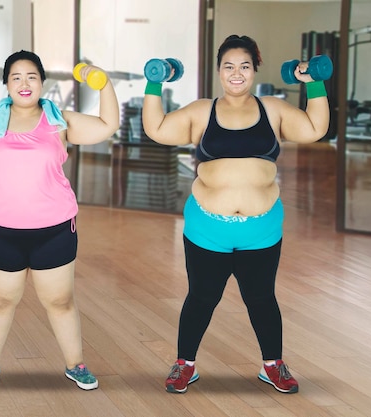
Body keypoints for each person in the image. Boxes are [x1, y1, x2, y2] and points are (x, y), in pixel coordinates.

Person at [141, 35, 330, 394]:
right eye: (229, 66)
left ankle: (273, 365)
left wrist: (314, 82)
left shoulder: (272, 109)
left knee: (261, 298)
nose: (236, 73)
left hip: (261, 230)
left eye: (244, 66)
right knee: (201, 296)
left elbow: (315, 129)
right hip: (208, 228)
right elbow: (157, 129)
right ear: (219, 71)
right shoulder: (201, 111)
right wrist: (154, 81)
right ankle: (185, 365)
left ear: (254, 70)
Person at [0, 50, 120, 393]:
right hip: (0, 229)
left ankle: (75, 364)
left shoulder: (59, 121)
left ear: (42, 84)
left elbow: (108, 125)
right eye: (16, 77)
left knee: (60, 301)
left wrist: (103, 83)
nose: (24, 83)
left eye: (32, 76)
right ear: (6, 84)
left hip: (54, 228)